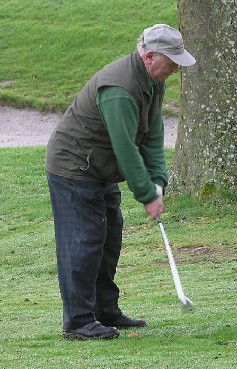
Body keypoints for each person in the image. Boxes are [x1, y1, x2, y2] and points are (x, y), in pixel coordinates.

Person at [45, 24, 196, 340]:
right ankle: (78, 321)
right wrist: (146, 194)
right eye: (171, 62)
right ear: (151, 55)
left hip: (100, 168)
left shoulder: (154, 81)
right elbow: (125, 148)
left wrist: (157, 181)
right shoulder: (120, 89)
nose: (175, 69)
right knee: (84, 239)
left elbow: (153, 136)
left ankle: (104, 310)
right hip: (75, 166)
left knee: (109, 236)